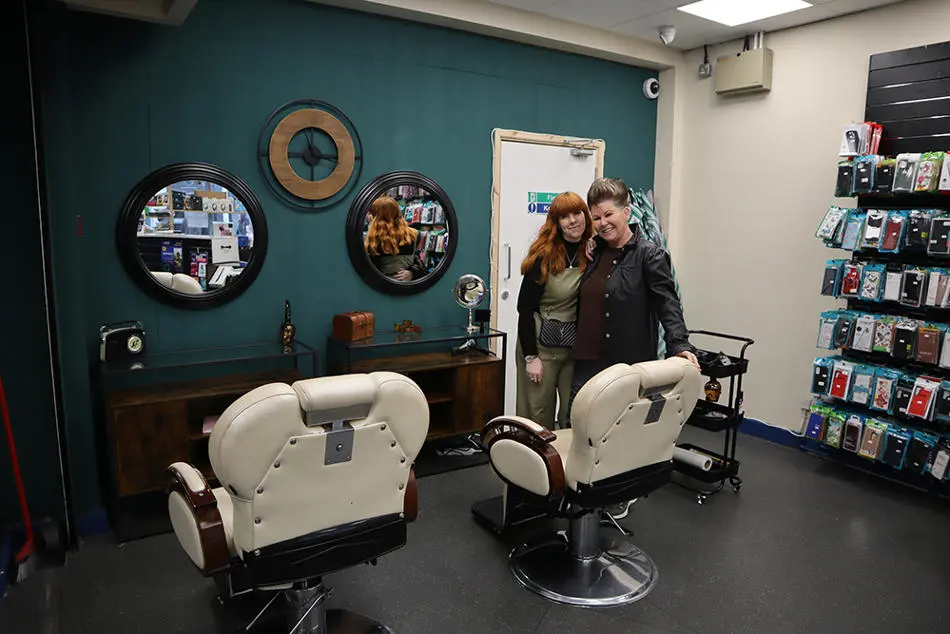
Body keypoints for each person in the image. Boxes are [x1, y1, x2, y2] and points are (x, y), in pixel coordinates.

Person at [570, 177, 698, 518]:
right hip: (587, 359)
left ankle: (610, 504)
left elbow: (668, 305)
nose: (602, 223)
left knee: (615, 440)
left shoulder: (650, 255)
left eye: (609, 214)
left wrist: (680, 345)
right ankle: (581, 506)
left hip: (623, 366)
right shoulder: (595, 251)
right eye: (596, 217)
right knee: (581, 433)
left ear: (627, 212)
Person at [515, 191, 593, 430]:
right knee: (538, 413)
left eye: (577, 213)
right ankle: (536, 464)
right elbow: (525, 309)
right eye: (565, 216)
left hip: (573, 347)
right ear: (556, 223)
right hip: (540, 347)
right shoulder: (543, 256)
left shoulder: (592, 252)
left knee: (574, 410)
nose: (573, 221)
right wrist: (531, 357)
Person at [364, 196, 426, 281]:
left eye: (371, 213)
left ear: (376, 216)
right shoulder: (413, 234)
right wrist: (412, 272)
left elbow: (368, 268)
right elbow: (417, 259)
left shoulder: (374, 238)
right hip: (409, 285)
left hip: (381, 287)